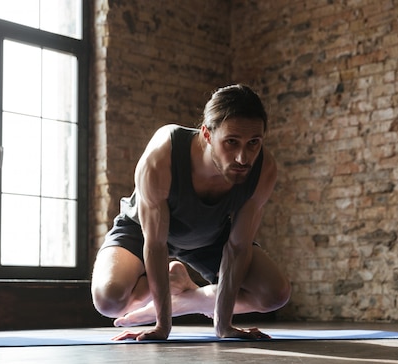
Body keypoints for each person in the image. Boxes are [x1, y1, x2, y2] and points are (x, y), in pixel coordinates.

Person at [91, 84, 291, 341]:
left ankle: (191, 299)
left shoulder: (263, 169)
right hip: (142, 232)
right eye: (231, 142)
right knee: (108, 300)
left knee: (275, 294)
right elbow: (155, 244)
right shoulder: (163, 154)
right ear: (207, 134)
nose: (243, 158)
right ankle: (168, 285)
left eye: (254, 143)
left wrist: (223, 324)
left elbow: (238, 247)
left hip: (209, 235)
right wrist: (163, 326)